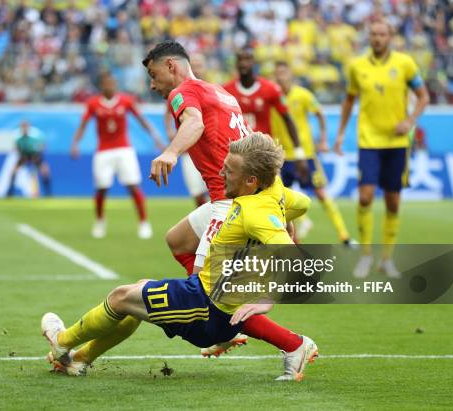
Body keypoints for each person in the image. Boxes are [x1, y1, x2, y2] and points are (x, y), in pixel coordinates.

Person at [41, 133, 318, 381]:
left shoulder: (253, 211)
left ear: (250, 181)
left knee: (120, 297)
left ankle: (62, 342)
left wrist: (265, 300)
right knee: (135, 295)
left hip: (205, 308)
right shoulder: (273, 191)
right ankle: (78, 360)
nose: (221, 173)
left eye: (229, 171)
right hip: (213, 300)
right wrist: (286, 219)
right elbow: (302, 203)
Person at [144, 41, 314, 360]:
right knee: (178, 241)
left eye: (153, 75)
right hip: (244, 196)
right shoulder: (221, 92)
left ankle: (293, 345)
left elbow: (193, 122)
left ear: (171, 66)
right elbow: (253, 151)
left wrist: (170, 152)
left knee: (203, 297)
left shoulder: (182, 93)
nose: (152, 84)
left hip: (230, 202)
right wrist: (281, 208)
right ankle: (223, 321)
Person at [334, 20, 429, 278]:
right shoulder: (357, 66)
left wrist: (410, 121)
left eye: (382, 34)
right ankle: (365, 255)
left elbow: (424, 97)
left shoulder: (405, 64)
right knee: (365, 196)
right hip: (369, 141)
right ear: (369, 37)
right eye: (373, 34)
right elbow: (349, 101)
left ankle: (386, 259)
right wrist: (341, 134)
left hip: (397, 143)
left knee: (393, 202)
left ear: (390, 36)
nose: (377, 38)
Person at [71, 71, 165, 239]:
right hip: (103, 151)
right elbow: (83, 125)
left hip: (124, 149)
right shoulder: (93, 104)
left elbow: (142, 120)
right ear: (101, 85)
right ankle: (100, 222)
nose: (110, 86)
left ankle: (143, 223)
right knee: (101, 188)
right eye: (106, 83)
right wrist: (75, 143)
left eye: (112, 83)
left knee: (133, 186)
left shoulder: (126, 100)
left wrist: (156, 139)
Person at [272, 61, 356, 246]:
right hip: (281, 156)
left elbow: (319, 113)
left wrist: (324, 139)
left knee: (321, 194)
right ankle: (296, 238)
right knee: (278, 200)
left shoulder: (302, 95)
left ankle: (344, 236)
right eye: (277, 74)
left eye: (284, 73)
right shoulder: (273, 97)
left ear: (290, 75)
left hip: (305, 154)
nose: (280, 77)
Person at [223, 47, 308, 180]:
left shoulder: (270, 89)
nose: (243, 63)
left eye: (247, 59)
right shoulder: (226, 90)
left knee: (273, 196)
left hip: (263, 153)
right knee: (236, 197)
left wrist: (299, 152)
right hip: (237, 153)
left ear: (254, 62)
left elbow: (287, 118)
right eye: (240, 59)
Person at [164, 53, 209, 208]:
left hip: (209, 148)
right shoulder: (179, 90)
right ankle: (207, 223)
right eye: (194, 65)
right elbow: (168, 111)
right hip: (189, 150)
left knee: (219, 189)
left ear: (205, 67)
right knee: (196, 191)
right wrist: (170, 131)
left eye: (199, 65)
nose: (196, 69)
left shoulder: (211, 88)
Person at [7, 120, 51, 197]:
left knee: (45, 171)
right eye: (22, 127)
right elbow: (16, 148)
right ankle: (10, 193)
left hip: (35, 154)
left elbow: (43, 145)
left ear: (28, 127)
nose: (24, 129)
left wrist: (39, 153)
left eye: (25, 127)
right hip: (24, 155)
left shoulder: (36, 135)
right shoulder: (17, 136)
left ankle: (48, 193)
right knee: (13, 171)